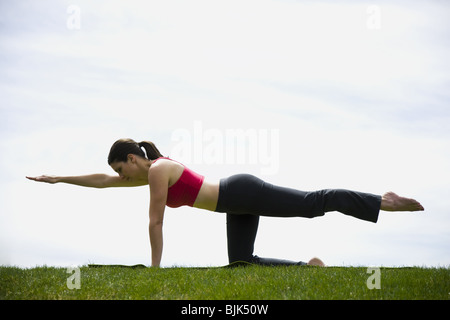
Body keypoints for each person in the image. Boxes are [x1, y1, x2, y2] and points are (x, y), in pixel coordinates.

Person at [27, 138, 424, 267]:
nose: (121, 177)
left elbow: (155, 222)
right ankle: (309, 268)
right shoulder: (153, 172)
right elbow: (101, 183)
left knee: (311, 203)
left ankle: (381, 201)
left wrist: (154, 269)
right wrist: (58, 178)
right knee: (240, 262)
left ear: (132, 159)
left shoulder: (157, 171)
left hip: (241, 192)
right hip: (234, 204)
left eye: (122, 169)